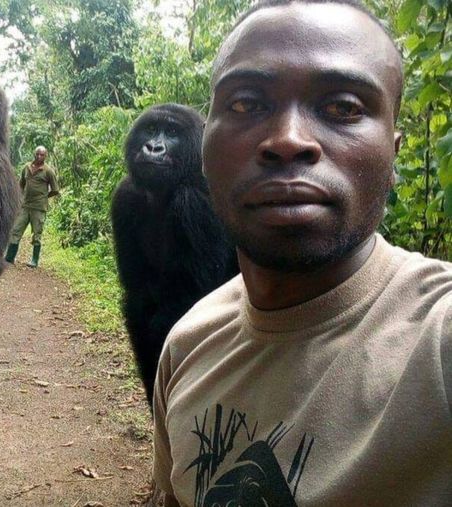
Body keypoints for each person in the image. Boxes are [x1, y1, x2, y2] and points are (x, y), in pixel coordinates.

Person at [151, 1, 452, 506]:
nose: (287, 140)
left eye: (343, 107)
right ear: (205, 151)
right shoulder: (188, 346)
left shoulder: (436, 338)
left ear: (394, 154)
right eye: (246, 103)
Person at [5, 145, 59, 267]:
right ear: (34, 154)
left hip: (39, 208)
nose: (39, 156)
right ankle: (9, 257)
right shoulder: (27, 167)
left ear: (46, 156)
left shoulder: (48, 171)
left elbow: (55, 190)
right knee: (16, 230)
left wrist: (44, 197)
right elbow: (20, 185)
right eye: (37, 154)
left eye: (42, 155)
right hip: (25, 206)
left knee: (37, 234)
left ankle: (34, 261)